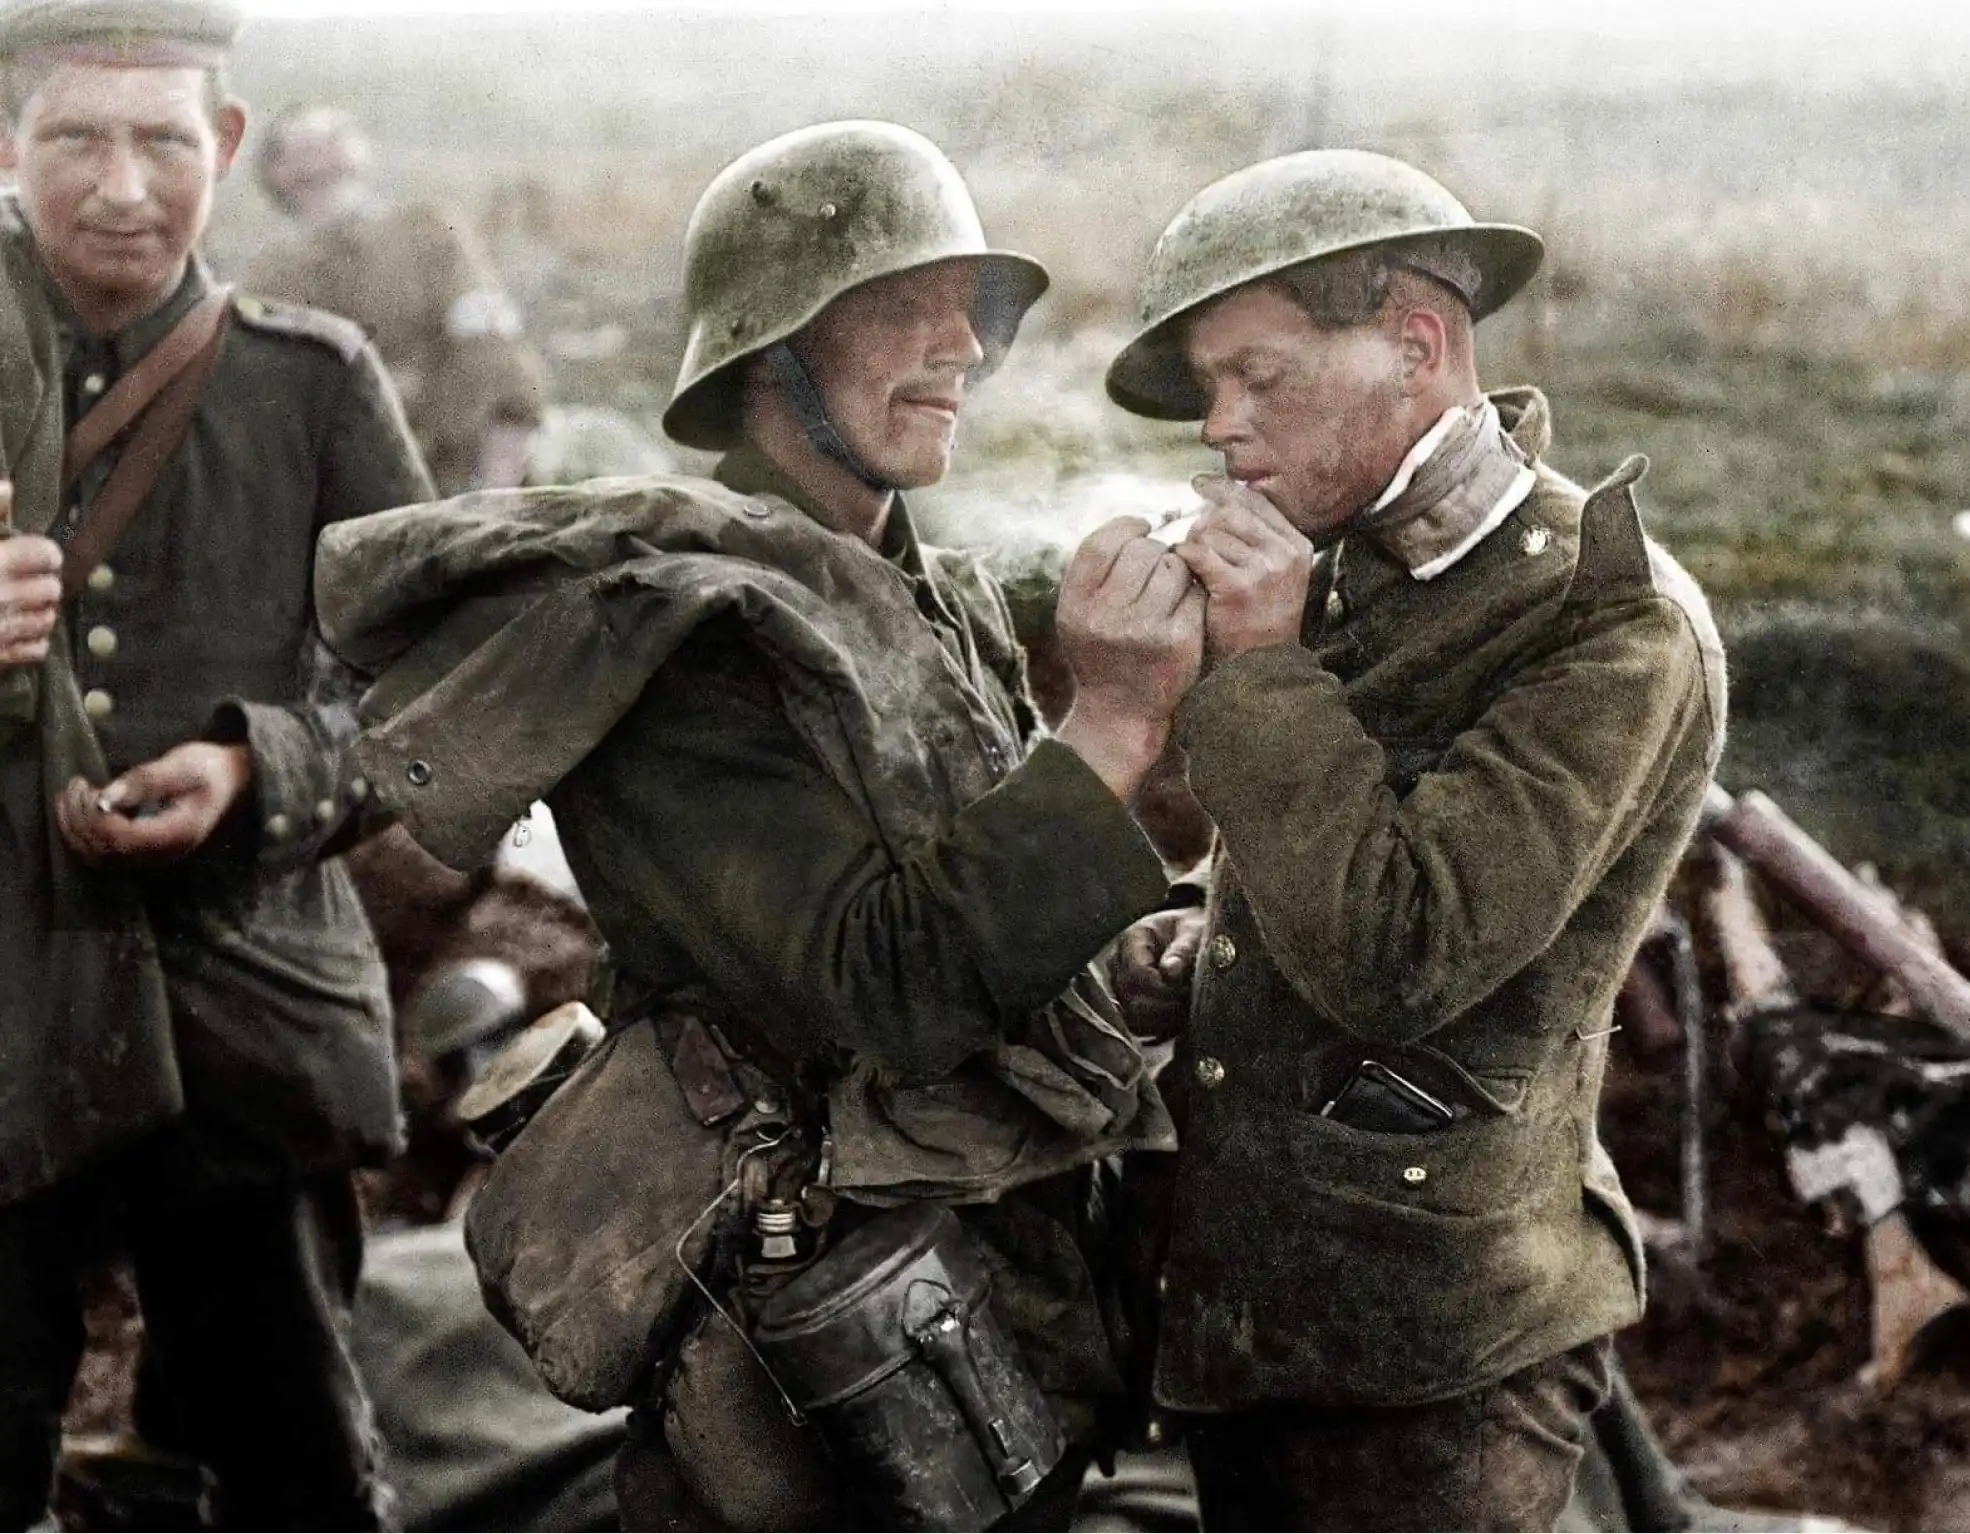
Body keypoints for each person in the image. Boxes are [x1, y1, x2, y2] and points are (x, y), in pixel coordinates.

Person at [313, 120, 1200, 1531]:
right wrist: (1109, 728)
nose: (960, 345)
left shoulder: (926, 597)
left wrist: (1121, 962)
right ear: (770, 351)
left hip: (1005, 1323)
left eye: (968, 309)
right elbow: (887, 983)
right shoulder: (685, 633)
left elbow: (985, 914)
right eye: (902, 306)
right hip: (819, 1369)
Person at [1101, 148, 1726, 1531]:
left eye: (1256, 377)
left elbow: (1406, 951)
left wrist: (1259, 668)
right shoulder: (1341, 562)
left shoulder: (1608, 623)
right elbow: (1319, 855)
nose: (1218, 428)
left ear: (1416, 344)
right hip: (1262, 1321)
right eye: (1210, 389)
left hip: (1431, 1369)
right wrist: (1208, 941)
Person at [0, 0, 436, 1525]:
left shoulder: (311, 383)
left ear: (227, 147)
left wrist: (265, 771)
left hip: (244, 1028)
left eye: (162, 140)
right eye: (75, 138)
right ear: (5, 142)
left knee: (299, 1469)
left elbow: (434, 692)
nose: (123, 186)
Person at [244, 103, 545, 494]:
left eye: (338, 133)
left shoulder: (429, 231)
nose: (330, 148)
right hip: (340, 492)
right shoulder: (269, 277)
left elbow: (495, 350)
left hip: (459, 473)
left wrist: (493, 490)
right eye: (309, 140)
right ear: (278, 171)